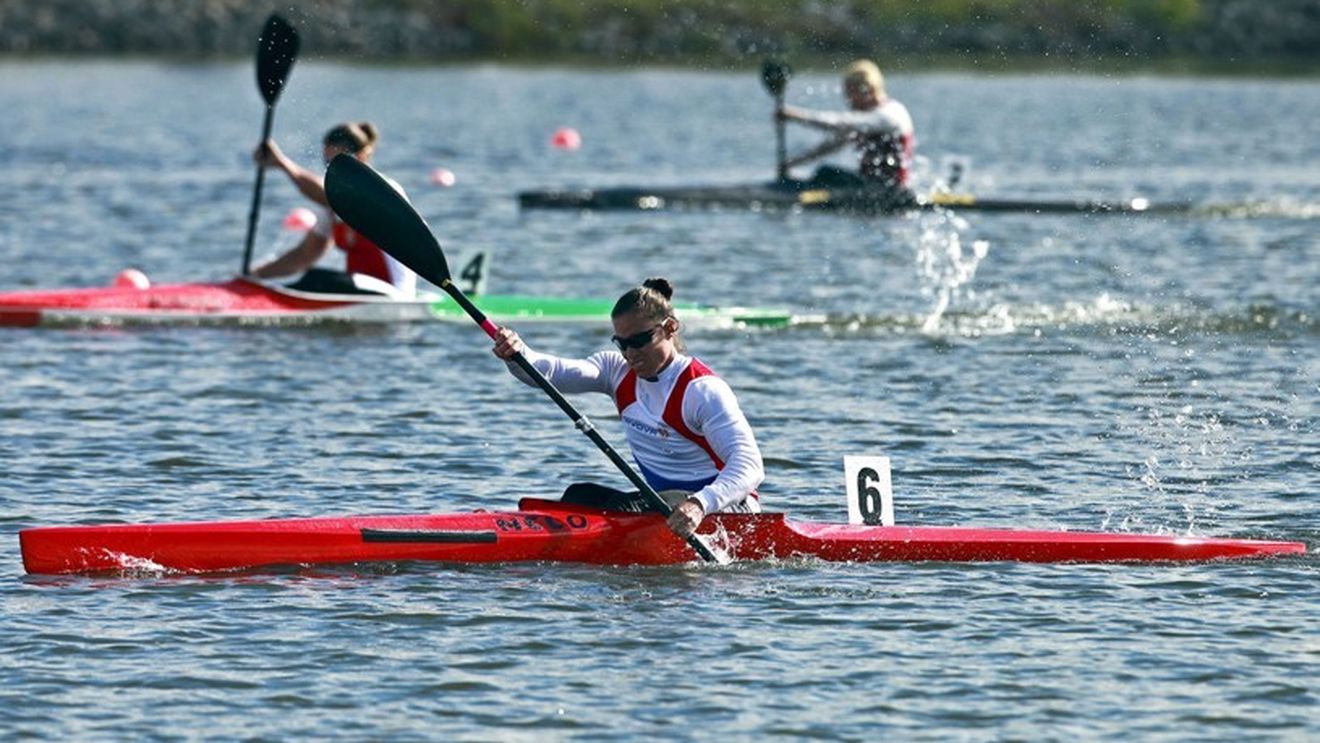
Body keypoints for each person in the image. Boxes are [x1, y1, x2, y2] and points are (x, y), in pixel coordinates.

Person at [492, 278, 764, 539]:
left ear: (670, 328)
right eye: (621, 343)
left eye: (639, 341)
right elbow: (550, 373)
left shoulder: (701, 390)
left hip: (725, 510)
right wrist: (518, 354)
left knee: (627, 509)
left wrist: (699, 504)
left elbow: (750, 467)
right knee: (579, 496)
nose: (630, 353)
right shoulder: (616, 371)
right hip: (666, 507)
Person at [251, 122, 417, 297]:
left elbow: (326, 195)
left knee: (316, 279)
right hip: (357, 290)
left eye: (338, 162)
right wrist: (254, 275)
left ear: (361, 158)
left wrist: (282, 164)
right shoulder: (332, 207)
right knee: (310, 277)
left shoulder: (383, 189)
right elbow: (304, 255)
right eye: (327, 162)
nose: (332, 169)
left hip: (392, 293)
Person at [776, 59, 916, 204]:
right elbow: (832, 145)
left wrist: (794, 116)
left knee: (826, 174)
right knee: (826, 172)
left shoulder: (890, 114)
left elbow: (840, 123)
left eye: (851, 95)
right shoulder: (868, 119)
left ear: (867, 90)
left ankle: (790, 195)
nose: (849, 102)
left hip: (890, 192)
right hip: (870, 187)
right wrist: (793, 163)